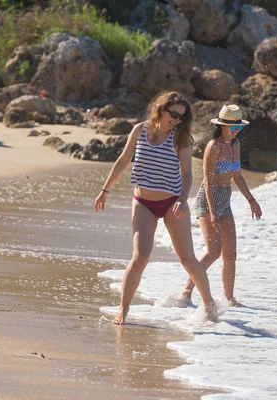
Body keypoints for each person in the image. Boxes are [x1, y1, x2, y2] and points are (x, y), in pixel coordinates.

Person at [94, 91, 219, 325]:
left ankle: (209, 305)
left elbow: (187, 173)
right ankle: (124, 309)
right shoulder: (139, 130)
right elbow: (123, 161)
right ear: (160, 109)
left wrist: (183, 198)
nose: (177, 119)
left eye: (182, 116)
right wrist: (104, 190)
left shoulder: (180, 138)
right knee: (140, 257)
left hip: (173, 202)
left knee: (188, 260)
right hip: (143, 203)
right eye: (173, 114)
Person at [177, 104, 262, 307]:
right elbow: (207, 180)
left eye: (239, 128)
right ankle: (186, 291)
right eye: (232, 128)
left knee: (231, 254)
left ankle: (230, 299)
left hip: (225, 199)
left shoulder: (236, 144)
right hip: (208, 199)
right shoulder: (213, 146)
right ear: (222, 126)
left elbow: (238, 176)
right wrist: (213, 211)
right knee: (214, 251)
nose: (235, 131)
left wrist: (251, 200)